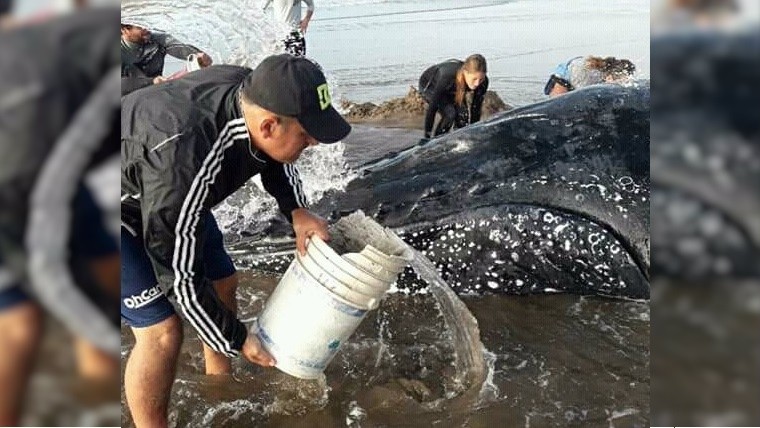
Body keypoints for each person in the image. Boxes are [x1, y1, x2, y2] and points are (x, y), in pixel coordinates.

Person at [121, 53, 351, 427]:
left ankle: (219, 382)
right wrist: (238, 338)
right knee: (162, 332)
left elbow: (273, 155)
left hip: (165, 187)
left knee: (223, 281)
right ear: (269, 126)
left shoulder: (252, 90)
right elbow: (179, 279)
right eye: (306, 137)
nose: (312, 144)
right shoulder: (183, 164)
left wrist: (296, 209)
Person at [0, 7, 121, 425]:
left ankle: (97, 399)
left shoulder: (68, 46)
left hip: (57, 170)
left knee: (102, 281)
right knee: (20, 322)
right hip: (27, 178)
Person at [121, 21, 213, 93]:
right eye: (140, 27)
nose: (146, 29)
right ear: (124, 30)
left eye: (145, 25)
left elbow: (179, 48)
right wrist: (152, 82)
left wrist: (198, 56)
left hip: (158, 90)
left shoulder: (157, 40)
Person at [418, 54, 489, 141]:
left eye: (481, 79)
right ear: (466, 72)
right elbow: (432, 108)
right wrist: (427, 136)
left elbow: (476, 109)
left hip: (452, 87)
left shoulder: (483, 82)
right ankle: (438, 140)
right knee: (450, 113)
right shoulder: (447, 77)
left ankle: (459, 140)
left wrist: (473, 133)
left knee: (463, 116)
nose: (477, 83)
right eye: (474, 79)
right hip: (429, 86)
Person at [544, 56, 636, 97]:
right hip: (561, 81)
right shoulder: (591, 74)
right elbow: (581, 96)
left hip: (574, 77)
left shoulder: (602, 71)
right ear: (610, 76)